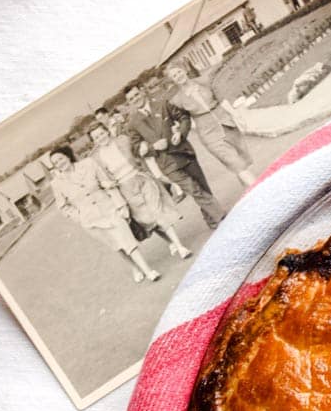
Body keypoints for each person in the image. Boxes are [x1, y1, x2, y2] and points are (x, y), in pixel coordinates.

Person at [49, 146, 161, 283]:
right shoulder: (57, 183)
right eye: (55, 163)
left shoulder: (89, 164)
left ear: (67, 156)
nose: (60, 163)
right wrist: (79, 217)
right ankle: (134, 268)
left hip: (110, 209)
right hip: (91, 221)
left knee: (128, 241)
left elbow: (108, 184)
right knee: (116, 246)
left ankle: (148, 271)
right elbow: (63, 206)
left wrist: (121, 205)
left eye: (60, 158)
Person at [124, 84, 226, 229]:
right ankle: (222, 216)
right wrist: (153, 148)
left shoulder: (162, 103)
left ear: (142, 92)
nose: (135, 99)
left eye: (136, 94)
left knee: (202, 187)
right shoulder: (133, 124)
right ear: (129, 103)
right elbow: (135, 149)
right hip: (167, 163)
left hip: (184, 152)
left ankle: (210, 218)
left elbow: (184, 117)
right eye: (131, 98)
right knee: (193, 189)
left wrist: (180, 133)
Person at [88, 122, 192, 260]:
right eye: (96, 137)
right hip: (124, 189)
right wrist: (106, 184)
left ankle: (180, 247)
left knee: (157, 212)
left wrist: (146, 151)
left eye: (101, 133)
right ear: (94, 141)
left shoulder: (123, 140)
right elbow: (98, 180)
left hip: (141, 178)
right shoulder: (96, 158)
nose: (101, 137)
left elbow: (139, 150)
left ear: (107, 131)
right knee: (147, 220)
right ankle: (171, 242)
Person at [165, 62, 256, 187]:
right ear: (172, 80)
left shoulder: (204, 81)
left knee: (243, 160)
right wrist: (177, 130)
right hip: (208, 134)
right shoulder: (177, 100)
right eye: (174, 76)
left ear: (185, 70)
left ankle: (249, 189)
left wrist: (235, 115)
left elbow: (221, 98)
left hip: (226, 122)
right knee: (234, 161)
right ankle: (260, 188)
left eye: (179, 72)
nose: (178, 76)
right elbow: (181, 119)